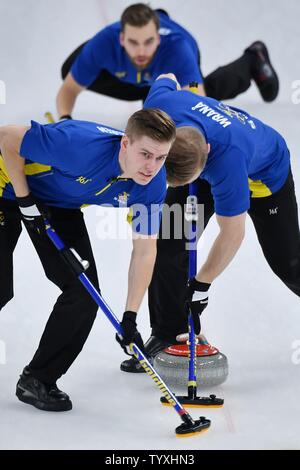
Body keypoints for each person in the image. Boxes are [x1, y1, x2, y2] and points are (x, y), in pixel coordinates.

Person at [0, 108, 198, 411]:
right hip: (6, 183)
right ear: (125, 144)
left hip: (56, 203)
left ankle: (37, 380)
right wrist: (25, 200)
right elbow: (7, 137)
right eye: (146, 154)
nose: (152, 166)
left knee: (83, 293)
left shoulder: (152, 185)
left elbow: (145, 250)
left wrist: (130, 317)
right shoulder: (79, 145)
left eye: (161, 158)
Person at [121, 73, 300, 372]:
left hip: (263, 175)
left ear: (205, 156)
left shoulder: (227, 163)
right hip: (196, 159)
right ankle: (168, 336)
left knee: (289, 265)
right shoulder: (162, 108)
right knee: (169, 241)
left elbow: (233, 234)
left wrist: (201, 285)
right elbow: (167, 77)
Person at [56, 3, 279, 120]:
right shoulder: (103, 43)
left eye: (149, 42)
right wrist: (65, 120)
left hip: (176, 69)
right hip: (140, 78)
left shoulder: (178, 50)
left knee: (194, 101)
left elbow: (195, 100)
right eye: (133, 42)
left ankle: (250, 60)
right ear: (121, 38)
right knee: (69, 70)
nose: (141, 51)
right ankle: (149, 91)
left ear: (159, 38)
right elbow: (69, 89)